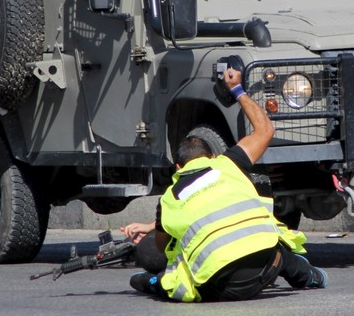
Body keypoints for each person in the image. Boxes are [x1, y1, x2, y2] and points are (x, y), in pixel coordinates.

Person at [126, 66, 328, 301]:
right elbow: (265, 129)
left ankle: (152, 282)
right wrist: (238, 90)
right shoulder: (229, 164)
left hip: (221, 288)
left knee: (169, 279)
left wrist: (155, 229)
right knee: (281, 254)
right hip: (266, 268)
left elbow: (162, 247)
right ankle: (314, 277)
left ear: (178, 168)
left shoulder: (170, 198)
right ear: (211, 157)